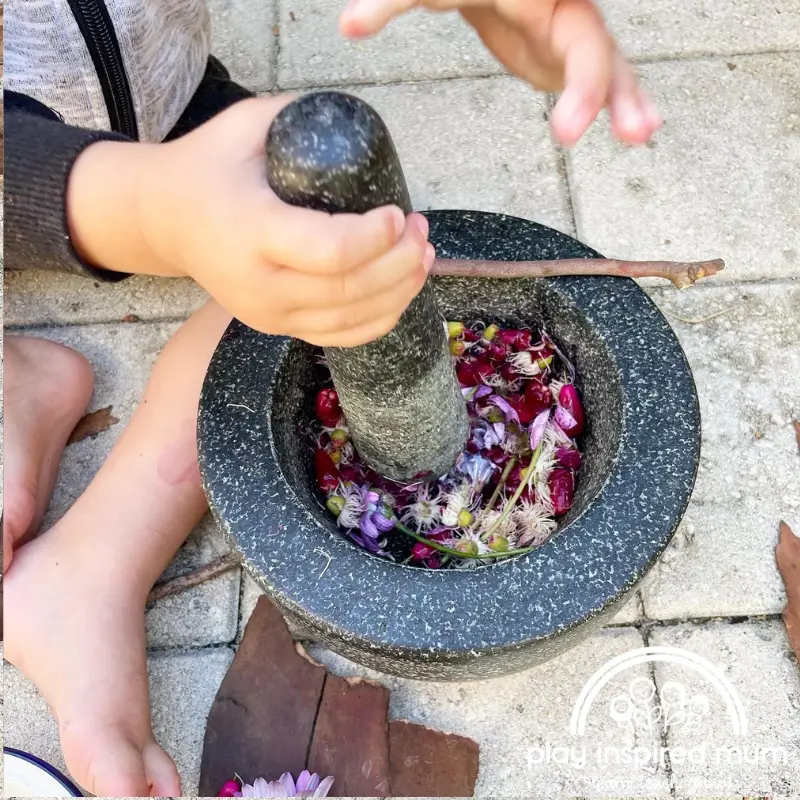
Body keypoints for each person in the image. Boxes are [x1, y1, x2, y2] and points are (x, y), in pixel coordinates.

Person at [2, 0, 661, 796]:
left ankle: (92, 560)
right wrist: (147, 207)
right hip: (33, 171)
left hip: (176, 116)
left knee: (308, 286)